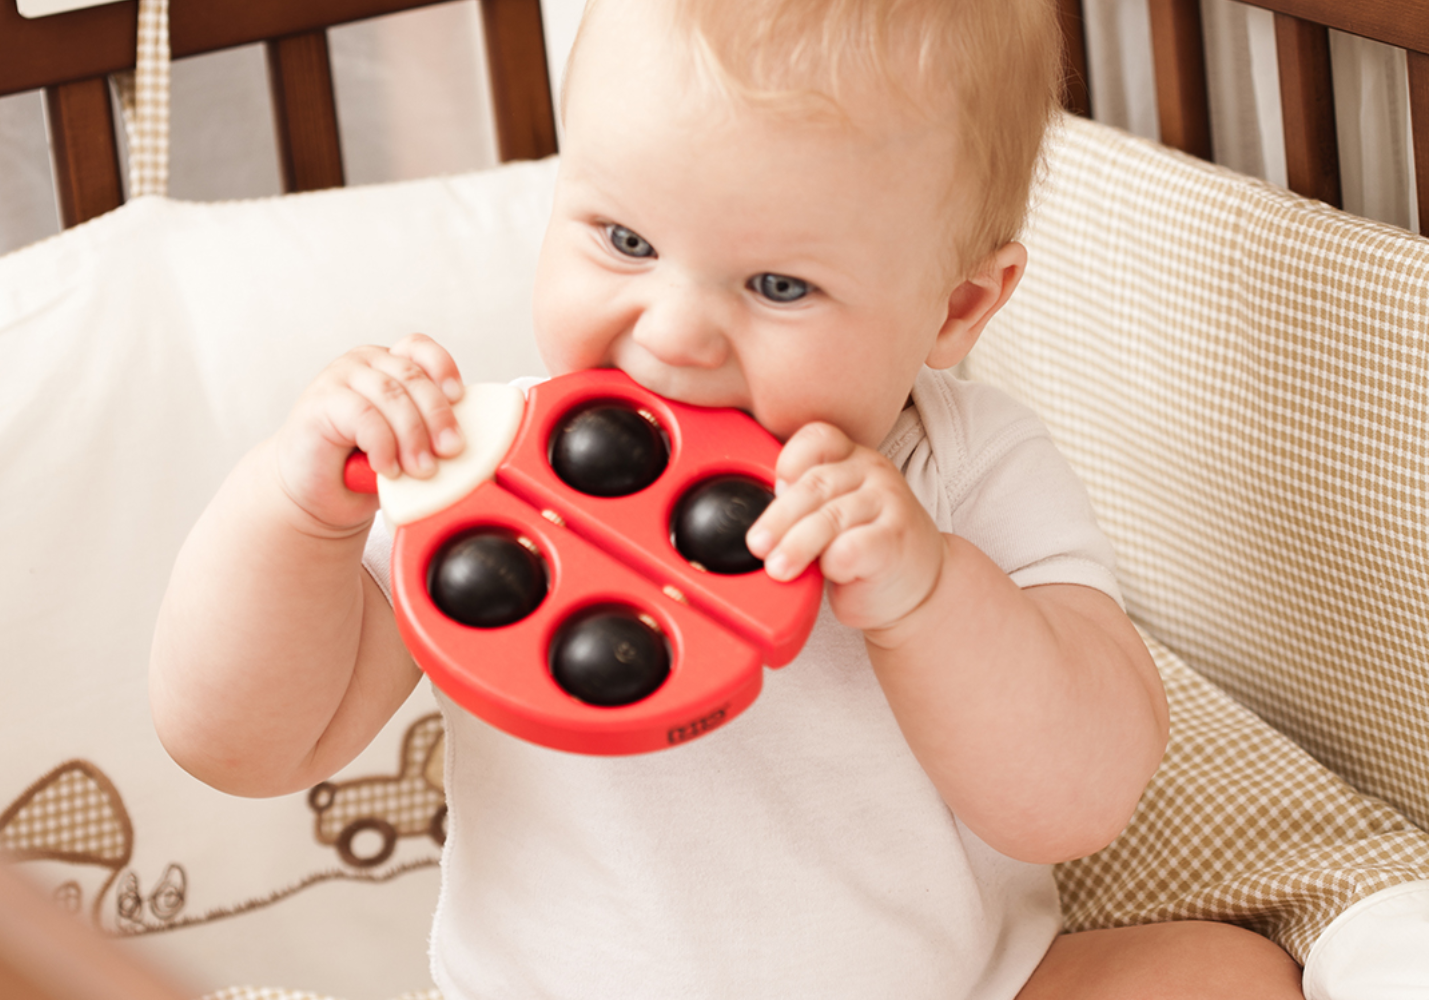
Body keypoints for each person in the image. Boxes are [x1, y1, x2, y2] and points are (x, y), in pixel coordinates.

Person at [149, 0, 1307, 996]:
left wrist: (927, 593)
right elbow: (241, 743)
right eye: (624, 237)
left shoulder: (966, 469)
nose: (674, 334)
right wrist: (298, 513)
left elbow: (1078, 796)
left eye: (778, 284)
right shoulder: (489, 468)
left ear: (955, 308)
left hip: (953, 983)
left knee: (1237, 976)